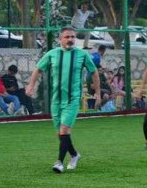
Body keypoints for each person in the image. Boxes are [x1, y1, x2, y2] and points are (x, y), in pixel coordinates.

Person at [25, 27, 100, 173]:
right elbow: (38, 69)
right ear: (60, 39)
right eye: (67, 37)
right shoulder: (52, 54)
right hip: (56, 99)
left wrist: (97, 92)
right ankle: (74, 154)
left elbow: (94, 72)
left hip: (72, 99)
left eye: (73, 37)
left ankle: (59, 162)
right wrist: (31, 85)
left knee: (64, 130)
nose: (70, 39)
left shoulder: (82, 54)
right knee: (60, 133)